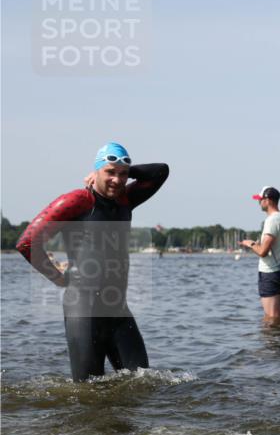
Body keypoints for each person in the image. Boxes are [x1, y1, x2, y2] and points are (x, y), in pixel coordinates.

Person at [16, 142, 169, 382]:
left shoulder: (125, 200)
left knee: (142, 383)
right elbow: (27, 242)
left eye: (122, 175)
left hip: (118, 309)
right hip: (83, 311)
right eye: (109, 172)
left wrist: (126, 170)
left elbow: (161, 171)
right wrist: (57, 277)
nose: (117, 180)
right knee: (88, 393)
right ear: (95, 171)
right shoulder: (77, 200)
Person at [240, 186, 280, 324]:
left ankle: (270, 345)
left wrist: (250, 244)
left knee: (271, 319)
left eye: (260, 199)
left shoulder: (272, 221)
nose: (259, 202)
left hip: (270, 273)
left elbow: (263, 252)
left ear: (268, 200)